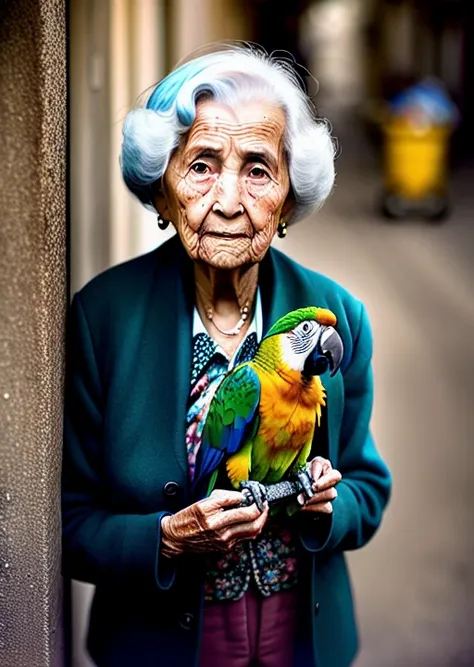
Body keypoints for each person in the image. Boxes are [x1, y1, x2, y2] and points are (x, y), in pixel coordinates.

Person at [62, 44, 392, 667]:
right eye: (202, 165)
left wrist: (330, 502)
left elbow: (367, 487)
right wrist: (164, 539)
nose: (230, 200)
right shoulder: (103, 318)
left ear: (289, 200)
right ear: (163, 193)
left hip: (299, 637)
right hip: (159, 641)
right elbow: (68, 524)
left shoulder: (336, 315)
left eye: (259, 170)